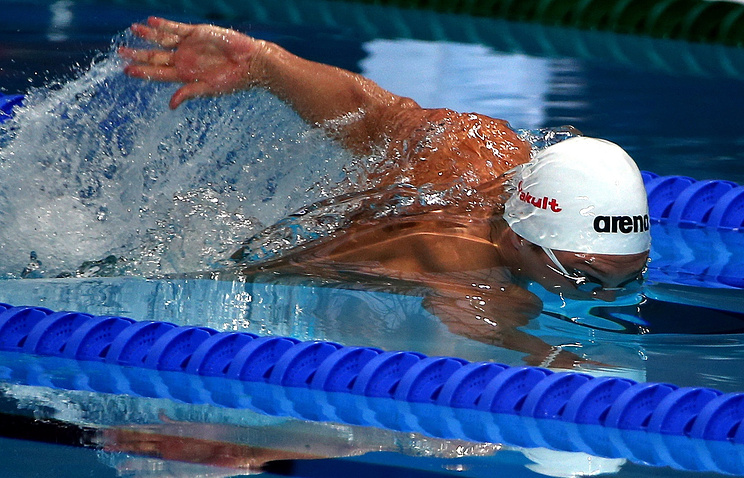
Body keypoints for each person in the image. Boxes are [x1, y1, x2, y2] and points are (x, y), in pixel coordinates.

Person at [120, 17, 650, 367]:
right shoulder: (476, 278)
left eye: (628, 277)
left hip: (243, 239)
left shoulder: (483, 150)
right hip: (197, 290)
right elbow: (451, 383)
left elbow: (374, 115)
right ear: (521, 237)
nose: (607, 296)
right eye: (585, 278)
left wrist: (266, 65)